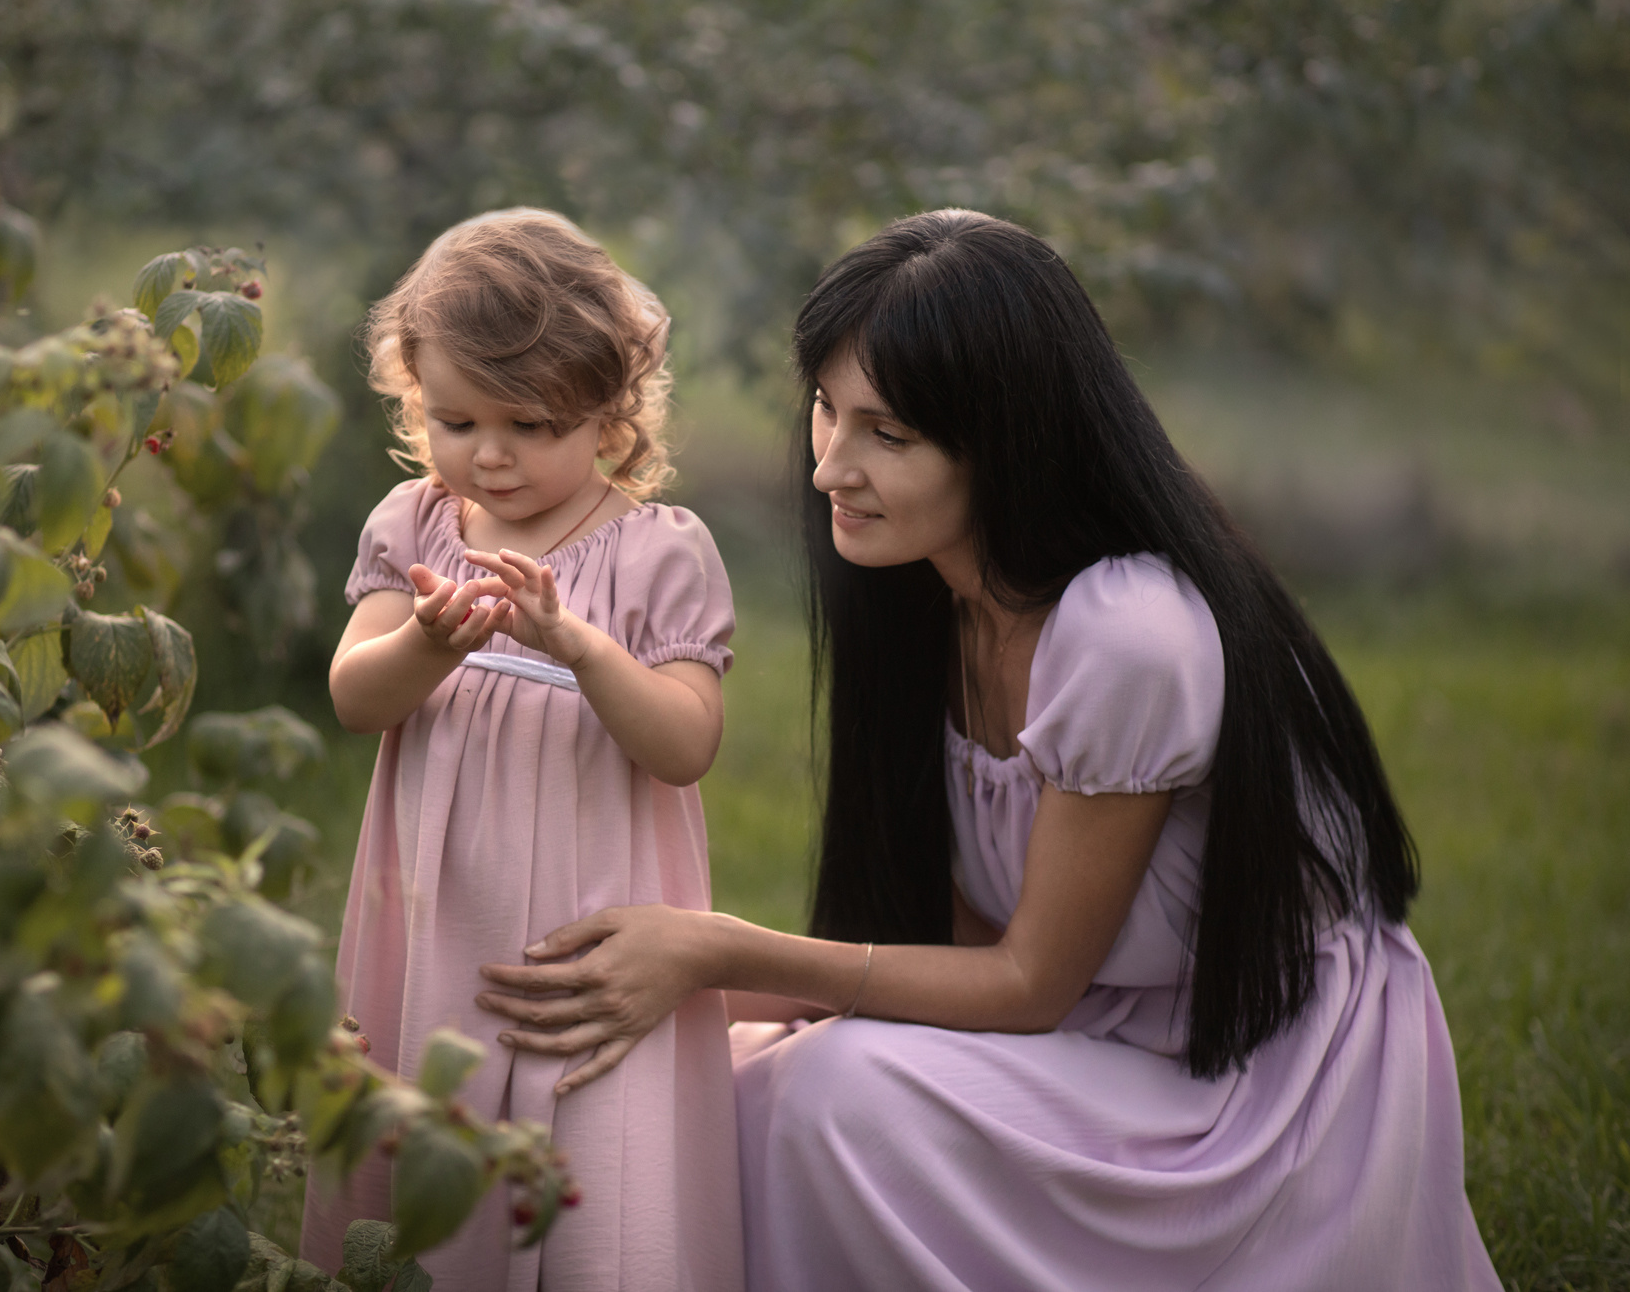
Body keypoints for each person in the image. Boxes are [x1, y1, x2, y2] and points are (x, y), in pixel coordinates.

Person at [477, 210, 1501, 1290]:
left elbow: (1028, 983)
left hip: (1255, 1098)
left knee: (832, 1095)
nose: (829, 466)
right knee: (708, 1088)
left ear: (1006, 443)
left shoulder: (1126, 635)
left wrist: (715, 952)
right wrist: (657, 1004)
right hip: (1099, 1037)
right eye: (826, 408)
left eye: (888, 434)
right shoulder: (930, 602)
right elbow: (958, 947)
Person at [302, 209, 743, 1291]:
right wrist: (425, 641)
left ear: (607, 414)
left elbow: (685, 744)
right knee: (428, 1166)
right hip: (436, 924)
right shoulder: (415, 528)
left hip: (596, 946)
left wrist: (583, 648)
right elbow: (356, 699)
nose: (487, 454)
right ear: (413, 398)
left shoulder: (655, 556)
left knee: (598, 1189)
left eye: (528, 424)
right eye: (454, 419)